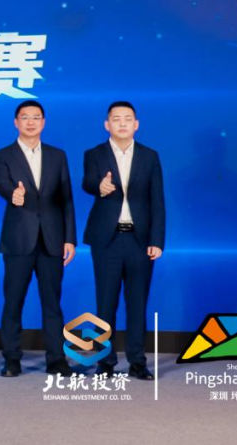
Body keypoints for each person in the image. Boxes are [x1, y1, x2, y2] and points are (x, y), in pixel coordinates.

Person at [0, 100, 77, 378]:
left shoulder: (57, 155)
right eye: (25, 117)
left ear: (44, 122)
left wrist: (70, 238)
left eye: (36, 117)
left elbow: (66, 198)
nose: (30, 122)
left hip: (52, 240)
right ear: (16, 122)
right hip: (18, 240)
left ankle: (57, 359)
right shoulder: (2, 155)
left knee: (52, 303)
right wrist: (12, 194)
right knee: (13, 302)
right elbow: (0, 182)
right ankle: (11, 359)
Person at [81, 101, 164, 381]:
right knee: (105, 302)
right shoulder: (94, 154)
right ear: (107, 125)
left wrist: (157, 240)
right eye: (116, 119)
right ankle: (105, 362)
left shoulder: (150, 156)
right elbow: (87, 182)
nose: (122, 123)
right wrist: (100, 186)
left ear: (136, 124)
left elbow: (157, 201)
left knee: (137, 302)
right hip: (108, 239)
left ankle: (137, 361)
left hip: (140, 240)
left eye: (128, 118)